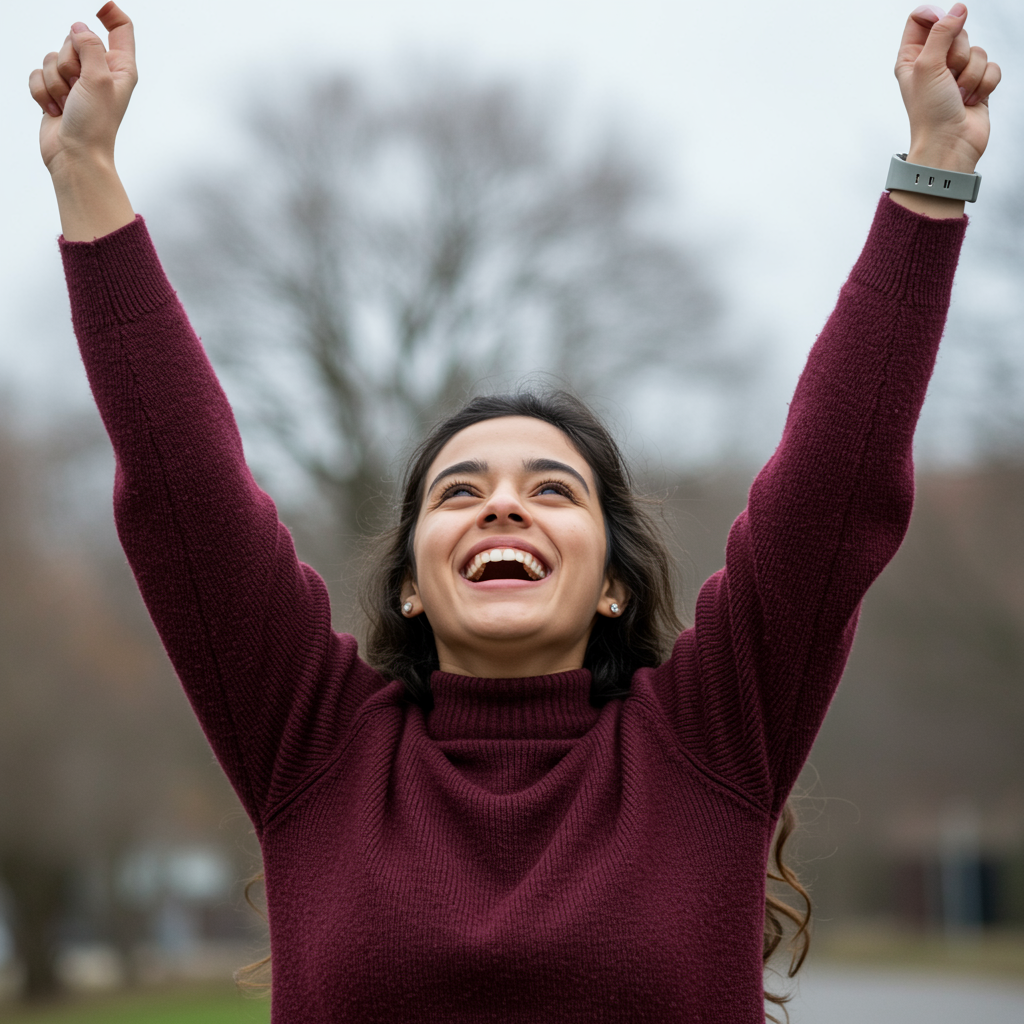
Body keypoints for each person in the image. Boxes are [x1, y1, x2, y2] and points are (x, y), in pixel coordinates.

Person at [29, 3, 1000, 1021]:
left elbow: (834, 485)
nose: (501, 504)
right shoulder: (313, 749)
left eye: (550, 489)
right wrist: (86, 171)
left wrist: (933, 165)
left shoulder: (712, 741)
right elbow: (185, 488)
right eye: (459, 491)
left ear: (616, 582)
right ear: (409, 580)